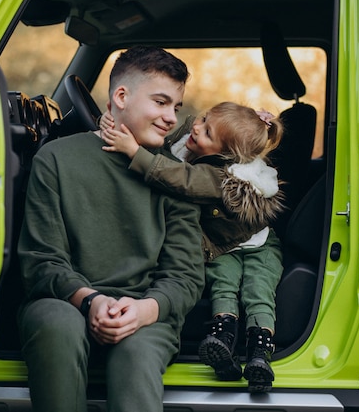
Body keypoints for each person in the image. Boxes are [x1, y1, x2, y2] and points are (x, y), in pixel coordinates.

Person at [17, 45, 205, 412]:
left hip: (146, 311)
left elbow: (185, 275)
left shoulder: (173, 176)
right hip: (66, 302)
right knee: (57, 323)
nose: (170, 118)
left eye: (176, 108)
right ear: (121, 96)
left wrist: (145, 310)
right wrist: (91, 300)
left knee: (137, 350)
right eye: (161, 102)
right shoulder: (55, 159)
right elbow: (42, 260)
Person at [100, 101, 284, 392]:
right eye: (203, 118)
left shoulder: (221, 177)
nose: (196, 127)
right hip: (224, 246)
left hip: (259, 245)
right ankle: (223, 341)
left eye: (208, 132)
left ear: (226, 154)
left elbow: (181, 179)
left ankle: (259, 354)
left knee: (257, 291)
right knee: (223, 284)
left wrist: (133, 153)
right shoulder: (188, 143)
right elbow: (166, 141)